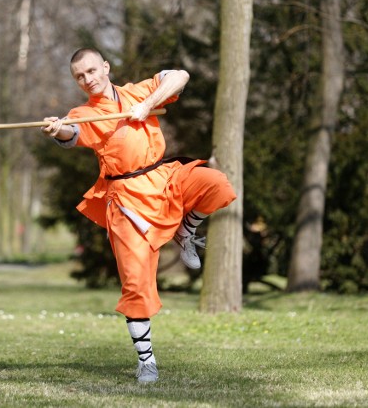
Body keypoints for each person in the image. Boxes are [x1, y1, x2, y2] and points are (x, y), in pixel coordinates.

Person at [41, 48, 236, 383]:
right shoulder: (84, 112)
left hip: (164, 179)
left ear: (105, 67)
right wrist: (57, 130)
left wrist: (147, 105)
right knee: (135, 282)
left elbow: (179, 76)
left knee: (216, 184)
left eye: (91, 70)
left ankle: (186, 230)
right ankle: (146, 360)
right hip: (126, 201)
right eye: (80, 76)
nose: (88, 79)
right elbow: (71, 134)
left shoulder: (137, 91)